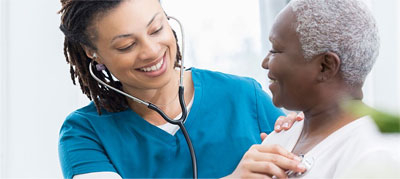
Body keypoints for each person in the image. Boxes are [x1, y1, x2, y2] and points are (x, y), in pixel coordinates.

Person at [57, 0, 302, 178]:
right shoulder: (85, 133)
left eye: (156, 29)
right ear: (93, 53)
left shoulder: (244, 97)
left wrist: (308, 130)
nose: (151, 51)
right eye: (127, 45)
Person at [230, 0, 399, 178]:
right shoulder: (278, 139)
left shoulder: (375, 155)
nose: (265, 63)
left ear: (325, 66)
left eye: (275, 50)